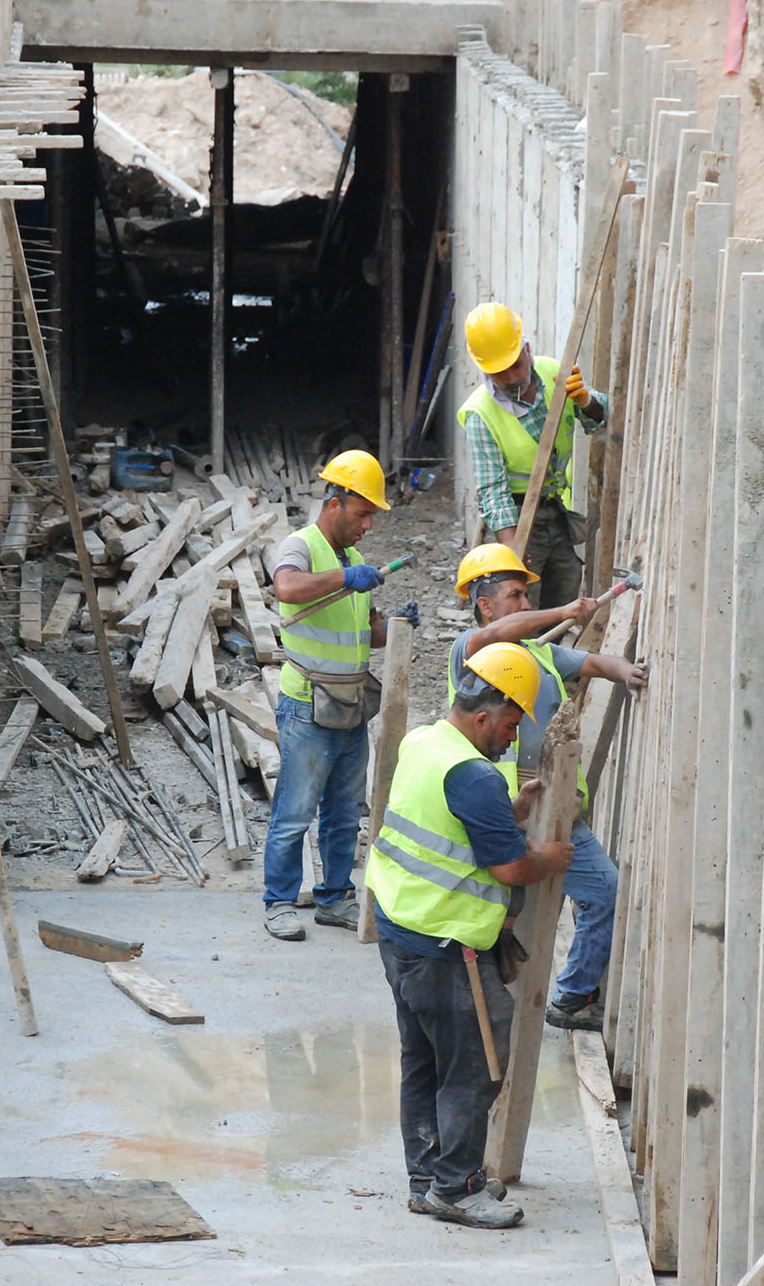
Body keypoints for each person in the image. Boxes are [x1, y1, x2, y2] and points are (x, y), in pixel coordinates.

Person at [368, 642, 575, 1229]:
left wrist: (503, 811)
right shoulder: (474, 776)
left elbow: (446, 819)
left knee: (425, 1059)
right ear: (483, 715)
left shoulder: (427, 743)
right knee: (475, 1065)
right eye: (511, 723)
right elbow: (510, 870)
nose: (513, 737)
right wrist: (549, 855)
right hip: (447, 944)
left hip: (402, 928)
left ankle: (426, 1176)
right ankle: (456, 1189)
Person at [446, 543, 647, 1031]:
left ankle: (571, 996)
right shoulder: (474, 652)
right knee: (503, 912)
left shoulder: (539, 652)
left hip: (554, 809)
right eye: (515, 596)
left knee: (603, 892)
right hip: (503, 808)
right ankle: (490, 1004)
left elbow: (595, 664)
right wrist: (564, 609)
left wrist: (630, 672)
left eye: (527, 597)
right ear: (485, 604)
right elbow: (495, 635)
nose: (525, 605)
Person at [260, 449, 391, 941]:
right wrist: (345, 578)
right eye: (362, 514)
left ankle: (335, 897)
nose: (368, 526)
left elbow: (364, 632)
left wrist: (393, 626)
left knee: (343, 812)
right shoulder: (300, 545)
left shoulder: (353, 558)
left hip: (351, 704)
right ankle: (278, 901)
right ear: (335, 502)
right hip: (307, 704)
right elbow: (288, 589)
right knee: (295, 811)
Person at [457, 302, 609, 609]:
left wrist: (586, 400)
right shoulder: (480, 414)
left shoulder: (555, 373)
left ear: (526, 349)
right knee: (519, 612)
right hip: (517, 518)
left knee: (563, 602)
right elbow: (494, 492)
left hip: (556, 513)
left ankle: (551, 657)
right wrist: (512, 548)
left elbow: (600, 420)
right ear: (485, 369)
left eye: (517, 365)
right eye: (501, 373)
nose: (513, 378)